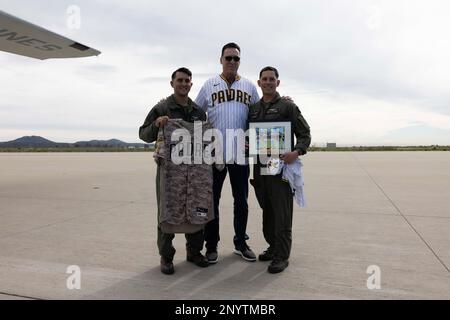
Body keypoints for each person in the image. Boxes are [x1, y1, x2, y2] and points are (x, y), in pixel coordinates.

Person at [139, 67, 209, 275]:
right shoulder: (162, 107)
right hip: (169, 172)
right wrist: (156, 124)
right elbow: (143, 134)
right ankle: (166, 256)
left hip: (194, 171)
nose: (184, 84)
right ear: (172, 83)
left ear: (191, 84)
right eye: (180, 80)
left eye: (187, 81)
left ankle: (195, 252)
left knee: (197, 208)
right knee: (167, 211)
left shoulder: (198, 111)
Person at [195, 43, 259, 263]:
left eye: (236, 59)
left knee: (241, 201)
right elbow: (194, 113)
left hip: (240, 152)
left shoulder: (250, 87)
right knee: (211, 201)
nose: (232, 62)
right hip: (215, 153)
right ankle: (211, 245)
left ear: (239, 61)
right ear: (220, 59)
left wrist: (283, 100)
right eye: (228, 58)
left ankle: (240, 242)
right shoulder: (209, 85)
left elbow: (259, 115)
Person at [249, 66, 311, 273]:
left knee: (282, 212)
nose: (268, 82)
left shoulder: (288, 107)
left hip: (281, 168)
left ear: (278, 82)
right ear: (259, 83)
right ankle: (273, 246)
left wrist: (297, 151)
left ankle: (282, 256)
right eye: (264, 79)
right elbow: (250, 136)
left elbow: (305, 134)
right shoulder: (254, 109)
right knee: (267, 210)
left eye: (271, 79)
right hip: (260, 168)